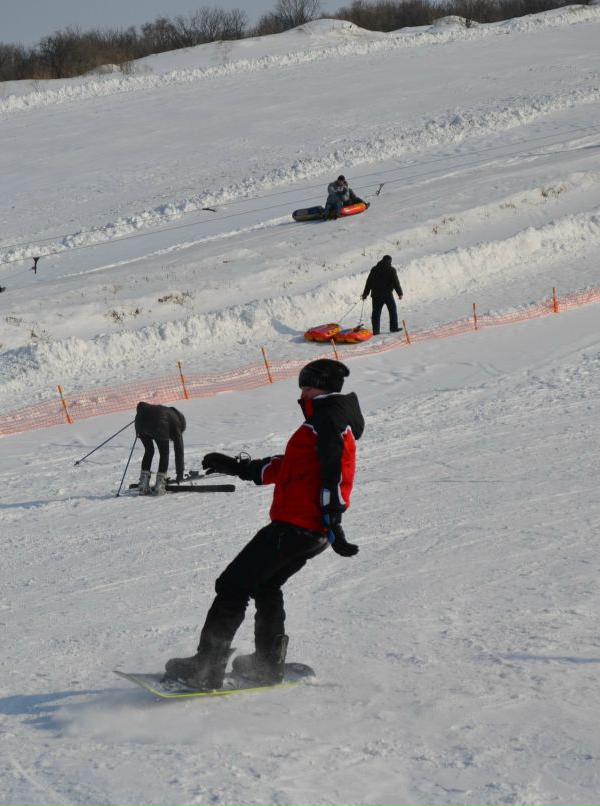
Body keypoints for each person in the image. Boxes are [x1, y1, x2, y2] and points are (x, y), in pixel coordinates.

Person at [164, 358, 364, 689]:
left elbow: (336, 472)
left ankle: (206, 667)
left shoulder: (328, 420)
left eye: (307, 387)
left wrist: (334, 521)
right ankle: (267, 664)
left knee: (233, 585)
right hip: (306, 529)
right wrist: (236, 467)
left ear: (322, 388)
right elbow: (289, 466)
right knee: (265, 585)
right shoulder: (324, 421)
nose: (302, 394)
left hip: (296, 527)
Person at [133, 401, 187, 496]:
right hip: (159, 422)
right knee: (164, 453)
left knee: (149, 451)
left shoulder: (168, 412)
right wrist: (180, 474)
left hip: (140, 422)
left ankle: (143, 485)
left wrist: (142, 415)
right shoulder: (177, 423)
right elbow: (179, 450)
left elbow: (141, 404)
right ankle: (159, 486)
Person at [361, 255, 404, 335]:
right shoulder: (391, 270)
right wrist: (400, 293)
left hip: (376, 295)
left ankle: (376, 331)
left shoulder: (374, 269)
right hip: (387, 295)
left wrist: (365, 294)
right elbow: (395, 283)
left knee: (376, 313)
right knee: (392, 311)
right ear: (390, 261)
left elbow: (369, 282)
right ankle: (393, 328)